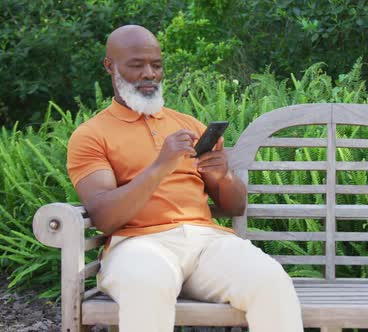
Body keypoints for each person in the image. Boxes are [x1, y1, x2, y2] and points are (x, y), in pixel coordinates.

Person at [66, 25, 304, 332]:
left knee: (270, 280)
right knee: (146, 284)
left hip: (207, 244)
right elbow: (104, 217)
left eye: (156, 65)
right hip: (137, 245)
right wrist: (160, 166)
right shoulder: (91, 135)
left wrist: (221, 177)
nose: (149, 73)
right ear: (109, 66)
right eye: (137, 65)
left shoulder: (188, 125)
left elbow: (235, 205)